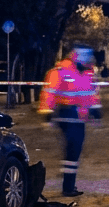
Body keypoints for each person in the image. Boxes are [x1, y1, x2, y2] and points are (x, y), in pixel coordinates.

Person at [38, 45, 102, 196]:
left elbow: (91, 94)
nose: (88, 59)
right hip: (66, 115)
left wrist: (96, 112)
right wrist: (47, 114)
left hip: (79, 117)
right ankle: (68, 187)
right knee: (72, 151)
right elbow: (50, 93)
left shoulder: (87, 72)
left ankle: (69, 185)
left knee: (74, 152)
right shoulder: (61, 71)